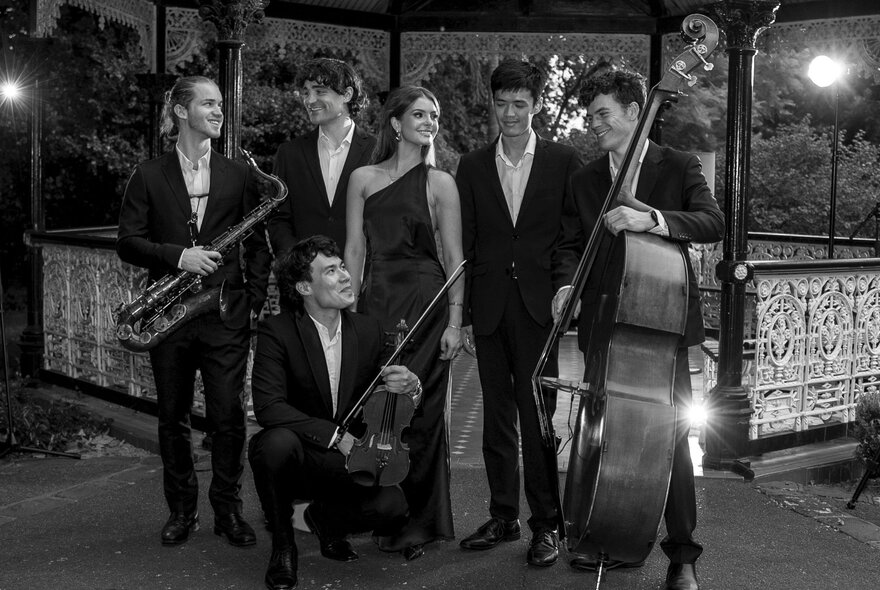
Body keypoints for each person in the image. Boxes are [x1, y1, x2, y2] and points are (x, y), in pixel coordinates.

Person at [553, 70, 724, 590]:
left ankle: (682, 553)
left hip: (659, 326)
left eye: (603, 113)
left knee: (668, 439)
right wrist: (566, 287)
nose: (594, 124)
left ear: (635, 110)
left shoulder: (676, 164)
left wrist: (650, 219)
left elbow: (713, 222)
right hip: (604, 325)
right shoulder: (584, 179)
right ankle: (604, 532)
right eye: (590, 116)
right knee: (598, 432)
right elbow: (567, 245)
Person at [117, 76, 270, 547]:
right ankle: (181, 511)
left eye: (220, 104)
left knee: (228, 418)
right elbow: (127, 242)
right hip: (168, 314)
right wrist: (177, 256)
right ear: (182, 112)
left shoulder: (240, 174)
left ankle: (228, 512)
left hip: (224, 313)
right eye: (209, 103)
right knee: (172, 418)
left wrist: (252, 300)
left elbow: (258, 246)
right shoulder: (147, 173)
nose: (219, 111)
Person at [454, 58, 583, 567]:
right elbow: (467, 242)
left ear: (536, 105)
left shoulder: (563, 161)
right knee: (495, 420)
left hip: (537, 310)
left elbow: (570, 236)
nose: (510, 113)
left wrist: (565, 287)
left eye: (521, 104)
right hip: (487, 308)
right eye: (502, 103)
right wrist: (461, 315)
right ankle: (504, 514)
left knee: (538, 419)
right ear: (492, 103)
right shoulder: (470, 165)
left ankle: (547, 524)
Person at [248, 235, 420, 590]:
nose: (345, 275)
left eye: (342, 266)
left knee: (393, 506)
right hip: (302, 453)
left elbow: (385, 402)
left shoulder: (368, 329)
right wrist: (335, 436)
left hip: (347, 459)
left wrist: (410, 387)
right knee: (272, 444)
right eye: (331, 271)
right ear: (304, 287)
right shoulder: (277, 332)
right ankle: (283, 547)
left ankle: (325, 520)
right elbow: (268, 406)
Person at [344, 85, 464, 560]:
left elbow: (455, 258)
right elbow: (354, 250)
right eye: (419, 114)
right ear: (395, 123)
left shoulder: (441, 183)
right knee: (377, 409)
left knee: (423, 414)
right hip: (376, 302)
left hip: (427, 303)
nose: (430, 122)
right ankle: (383, 510)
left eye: (434, 115)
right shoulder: (363, 178)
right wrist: (348, 314)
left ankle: (423, 523)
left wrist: (456, 321)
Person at [268, 58, 376, 255]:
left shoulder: (377, 151)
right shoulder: (289, 153)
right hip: (305, 278)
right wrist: (301, 266)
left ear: (347, 94)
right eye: (306, 92)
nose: (309, 100)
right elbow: (278, 220)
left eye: (319, 91)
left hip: (367, 278)